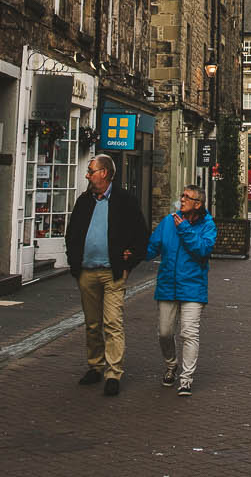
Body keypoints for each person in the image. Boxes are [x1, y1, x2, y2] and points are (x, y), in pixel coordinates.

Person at [65, 153, 150, 395]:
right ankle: (95, 366)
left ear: (104, 173)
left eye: (91, 171)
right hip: (87, 272)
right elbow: (72, 234)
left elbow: (141, 236)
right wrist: (74, 263)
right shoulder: (84, 201)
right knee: (92, 324)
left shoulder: (125, 201)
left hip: (113, 273)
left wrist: (129, 262)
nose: (87, 175)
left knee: (112, 322)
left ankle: (113, 373)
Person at [146, 184, 216, 396]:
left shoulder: (208, 225)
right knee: (165, 332)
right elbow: (152, 247)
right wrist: (133, 252)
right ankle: (171, 364)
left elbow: (203, 250)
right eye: (182, 195)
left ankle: (186, 379)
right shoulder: (169, 221)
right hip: (168, 285)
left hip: (193, 287)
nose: (182, 199)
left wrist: (185, 229)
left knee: (189, 332)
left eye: (187, 197)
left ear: (198, 204)